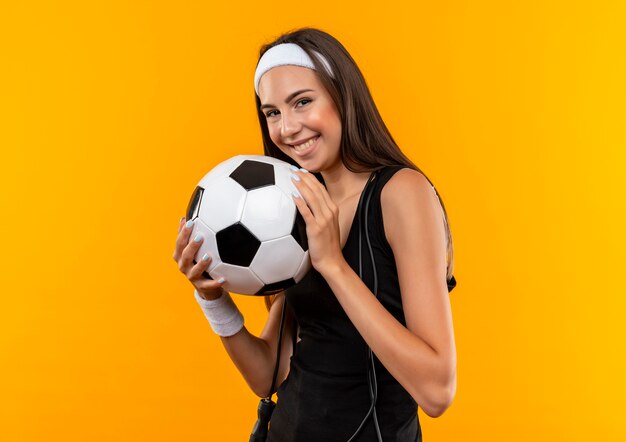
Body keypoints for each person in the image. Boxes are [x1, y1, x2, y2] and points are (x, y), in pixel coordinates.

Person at [173, 27, 458, 442]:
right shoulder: (294, 203)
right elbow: (269, 372)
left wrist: (332, 265)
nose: (287, 128)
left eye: (302, 102)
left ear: (342, 96)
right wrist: (212, 297)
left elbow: (437, 391)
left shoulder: (401, 193)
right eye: (272, 112)